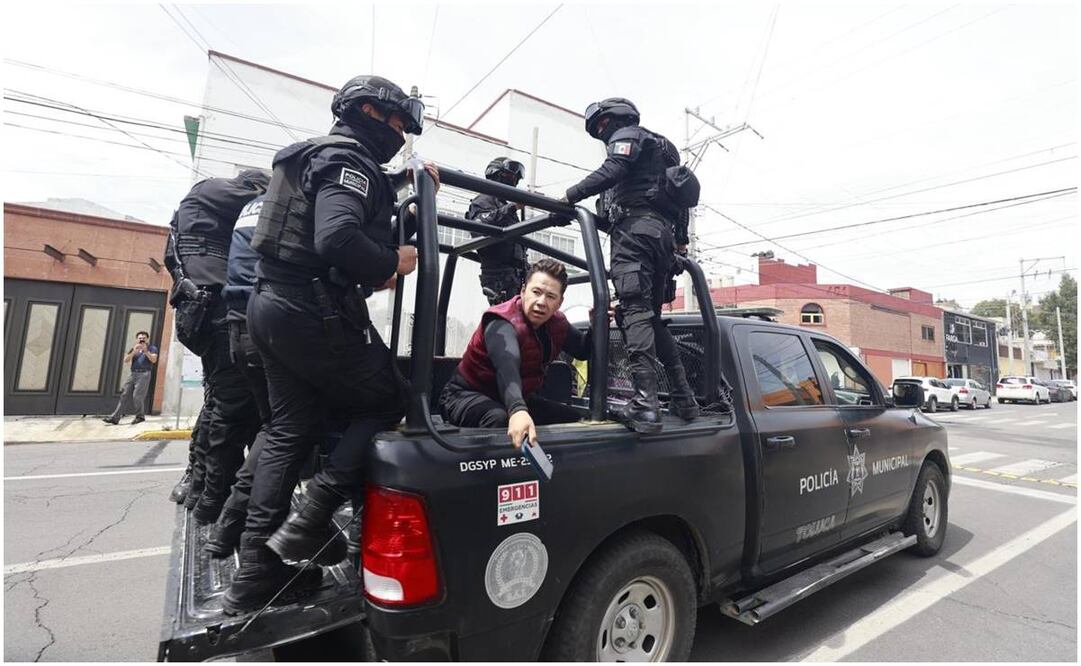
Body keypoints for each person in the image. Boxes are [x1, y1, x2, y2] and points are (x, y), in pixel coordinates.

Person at [223, 74, 436, 615]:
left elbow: (339, 227)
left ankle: (254, 573)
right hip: (310, 311)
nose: (399, 134)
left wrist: (404, 202)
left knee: (287, 429)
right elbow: (338, 236)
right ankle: (311, 519)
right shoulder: (350, 160)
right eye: (395, 123)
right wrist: (394, 260)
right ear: (367, 110)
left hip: (269, 306)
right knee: (388, 400)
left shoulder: (311, 158)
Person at [563, 97, 700, 433]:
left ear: (617, 119)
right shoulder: (664, 150)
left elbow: (614, 170)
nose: (602, 132)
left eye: (602, 125)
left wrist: (569, 196)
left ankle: (646, 404)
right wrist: (680, 241)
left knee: (634, 312)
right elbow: (680, 204)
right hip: (661, 238)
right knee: (649, 318)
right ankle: (684, 397)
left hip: (635, 235)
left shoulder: (630, 135)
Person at [166, 170, 270, 526]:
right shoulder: (211, 191)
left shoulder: (198, 215)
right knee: (232, 409)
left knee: (218, 404)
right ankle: (214, 497)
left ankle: (196, 484)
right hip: (215, 313)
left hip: (200, 312)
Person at [440, 259, 594, 448]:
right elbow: (507, 367)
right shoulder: (501, 321)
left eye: (551, 296)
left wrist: (597, 325)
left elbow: (583, 350)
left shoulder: (558, 324)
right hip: (465, 396)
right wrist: (518, 410)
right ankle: (497, 476)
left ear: (559, 302)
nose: (541, 302)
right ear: (523, 291)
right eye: (536, 292)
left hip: (517, 398)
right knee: (499, 418)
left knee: (575, 419)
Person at [467, 157, 529, 305]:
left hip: (516, 275)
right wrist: (513, 207)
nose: (513, 182)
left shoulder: (503, 205)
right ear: (495, 174)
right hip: (499, 277)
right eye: (509, 176)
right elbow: (480, 226)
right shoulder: (483, 200)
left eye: (516, 179)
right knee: (505, 320)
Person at [103, 331, 157, 425]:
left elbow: (154, 360)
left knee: (137, 396)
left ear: (147, 339)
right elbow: (126, 360)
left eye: (144, 338)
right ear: (137, 339)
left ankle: (140, 416)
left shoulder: (152, 348)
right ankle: (115, 418)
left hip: (144, 374)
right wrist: (133, 352)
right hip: (132, 374)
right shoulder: (134, 348)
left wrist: (146, 351)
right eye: (140, 338)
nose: (142, 339)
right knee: (124, 394)